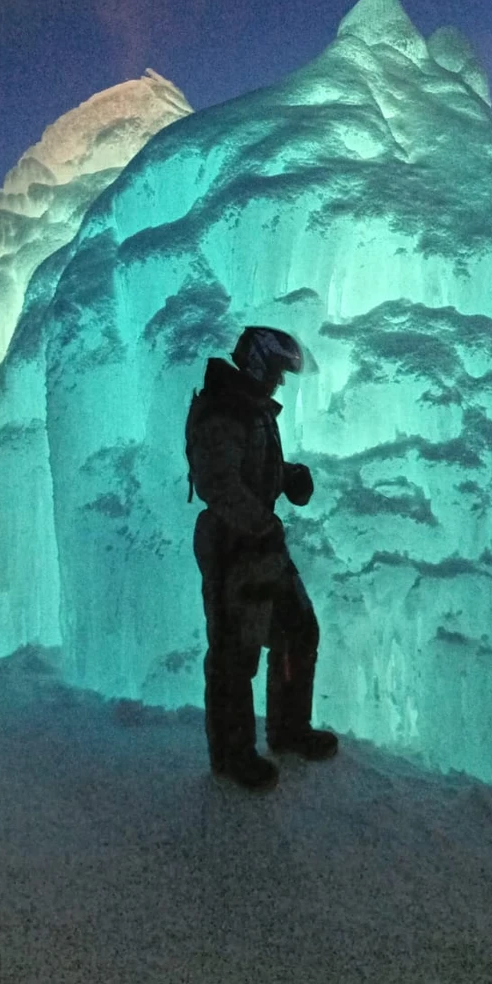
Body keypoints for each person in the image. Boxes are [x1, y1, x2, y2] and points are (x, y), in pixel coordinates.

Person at [185, 325, 339, 790]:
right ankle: (232, 756)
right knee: (235, 652)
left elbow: (250, 470)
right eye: (276, 373)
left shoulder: (249, 409)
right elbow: (219, 484)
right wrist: (262, 524)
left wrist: (287, 476)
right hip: (234, 548)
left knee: (298, 629)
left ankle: (289, 731)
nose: (280, 384)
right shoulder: (223, 411)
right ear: (256, 364)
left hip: (261, 544)